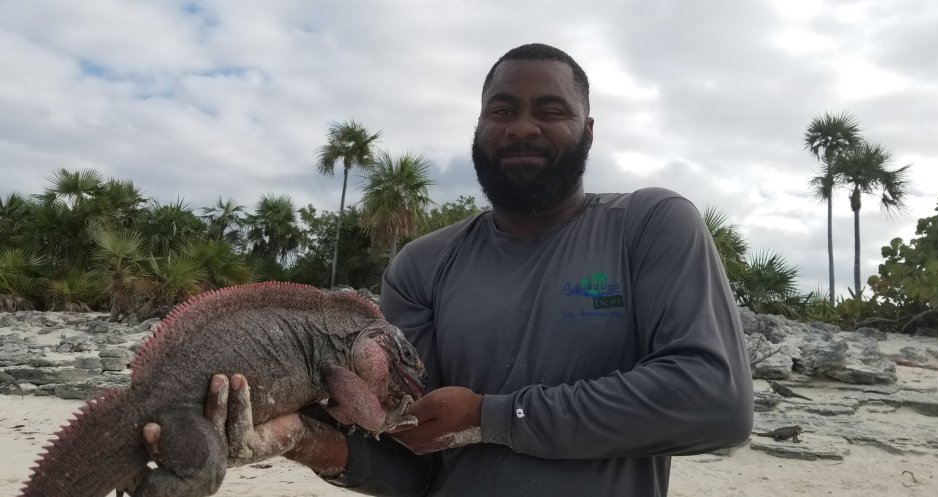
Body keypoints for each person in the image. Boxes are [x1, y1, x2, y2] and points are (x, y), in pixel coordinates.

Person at [145, 43, 753, 496]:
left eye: (551, 110)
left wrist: (491, 418)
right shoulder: (425, 263)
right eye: (502, 110)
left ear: (587, 130)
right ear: (479, 127)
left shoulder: (649, 225)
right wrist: (303, 440)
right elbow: (415, 461)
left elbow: (714, 403)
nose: (522, 126)